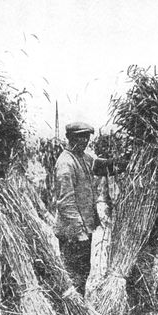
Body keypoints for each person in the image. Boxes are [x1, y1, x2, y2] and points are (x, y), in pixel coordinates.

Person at [54, 121, 103, 296]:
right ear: (69, 138)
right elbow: (66, 203)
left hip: (84, 228)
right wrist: (79, 231)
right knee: (73, 275)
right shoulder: (66, 163)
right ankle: (71, 312)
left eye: (86, 137)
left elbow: (100, 166)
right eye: (80, 137)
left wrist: (123, 162)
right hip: (73, 232)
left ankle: (78, 307)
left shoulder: (84, 157)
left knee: (83, 272)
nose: (84, 141)